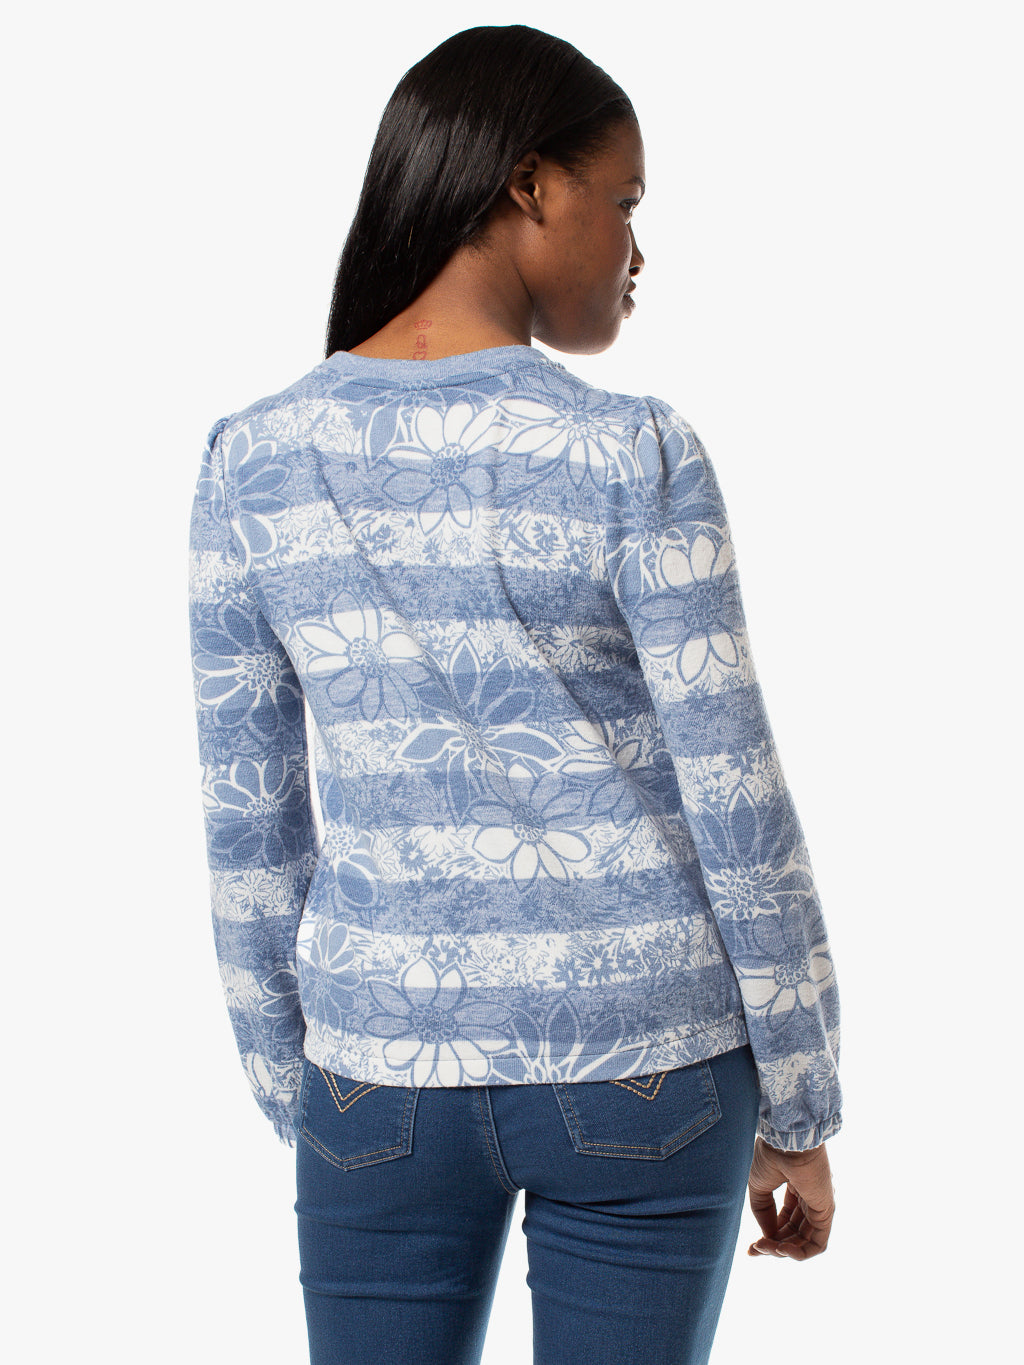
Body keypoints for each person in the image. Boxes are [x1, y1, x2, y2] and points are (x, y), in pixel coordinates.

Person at [187, 23, 842, 1365]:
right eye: (628, 201)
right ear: (531, 186)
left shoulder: (251, 460)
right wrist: (800, 1096)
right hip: (646, 1057)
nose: (639, 249)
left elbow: (250, 821)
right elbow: (736, 794)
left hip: (377, 1072)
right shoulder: (632, 452)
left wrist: (304, 1086)